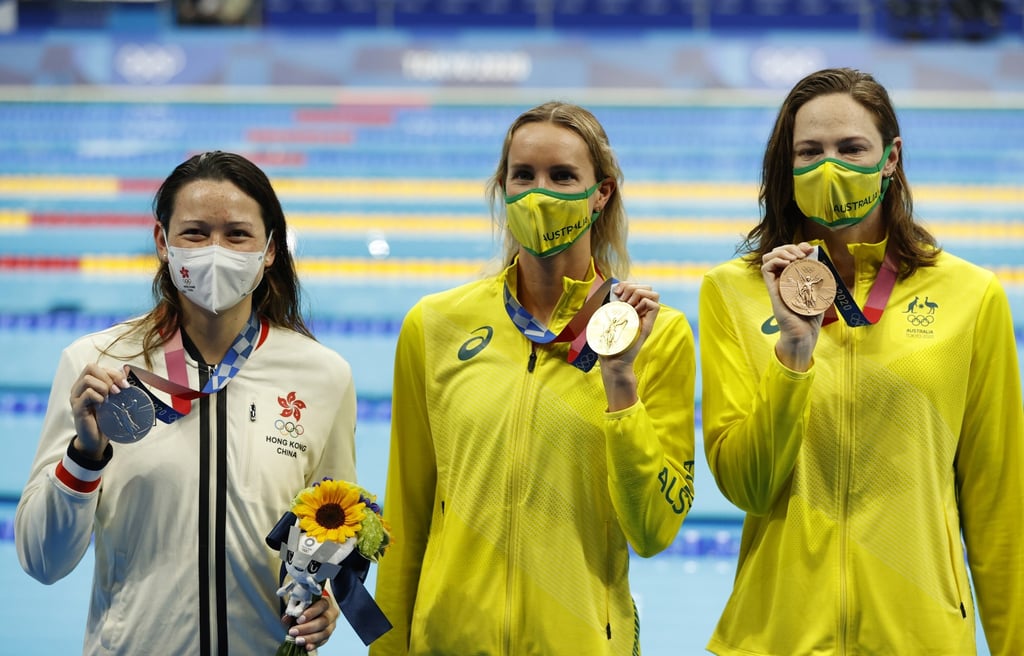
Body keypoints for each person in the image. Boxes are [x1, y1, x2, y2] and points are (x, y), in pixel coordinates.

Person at [699, 67, 1023, 655]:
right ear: (788, 165)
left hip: (919, 638)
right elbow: (747, 485)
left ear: (891, 157)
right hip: (777, 638)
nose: (831, 167)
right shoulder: (732, 292)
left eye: (852, 149)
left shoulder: (972, 296)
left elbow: (999, 502)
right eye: (810, 152)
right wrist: (792, 353)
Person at [370, 101, 696, 655]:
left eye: (563, 176)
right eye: (523, 175)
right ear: (504, 188)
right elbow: (407, 514)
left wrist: (621, 382)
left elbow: (653, 530)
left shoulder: (656, 337)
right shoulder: (435, 325)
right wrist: (387, 648)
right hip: (450, 642)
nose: (539, 191)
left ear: (602, 194)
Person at [15, 151, 357, 654]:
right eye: (195, 233)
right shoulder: (98, 366)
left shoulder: (323, 376)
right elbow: (42, 562)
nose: (215, 250)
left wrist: (320, 598)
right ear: (162, 242)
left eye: (237, 234)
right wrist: (85, 458)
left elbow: (333, 523)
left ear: (269, 249)